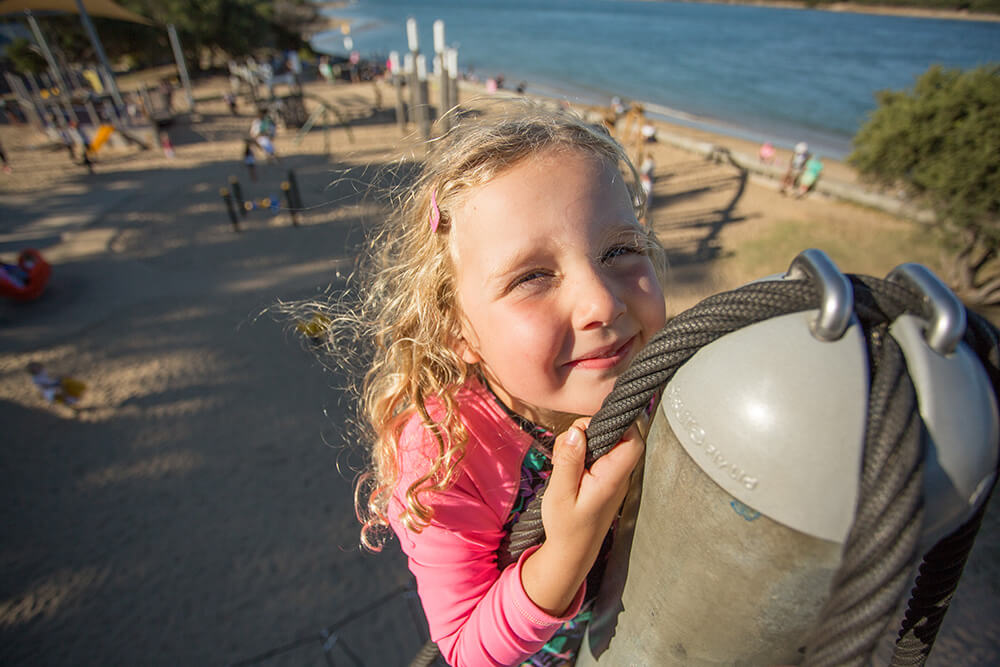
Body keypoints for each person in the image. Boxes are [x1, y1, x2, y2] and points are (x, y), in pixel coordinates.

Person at [334, 102, 668, 666]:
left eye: (619, 250)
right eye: (532, 277)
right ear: (457, 331)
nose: (602, 302)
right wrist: (567, 549)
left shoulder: (666, 371)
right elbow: (465, 648)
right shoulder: (442, 457)